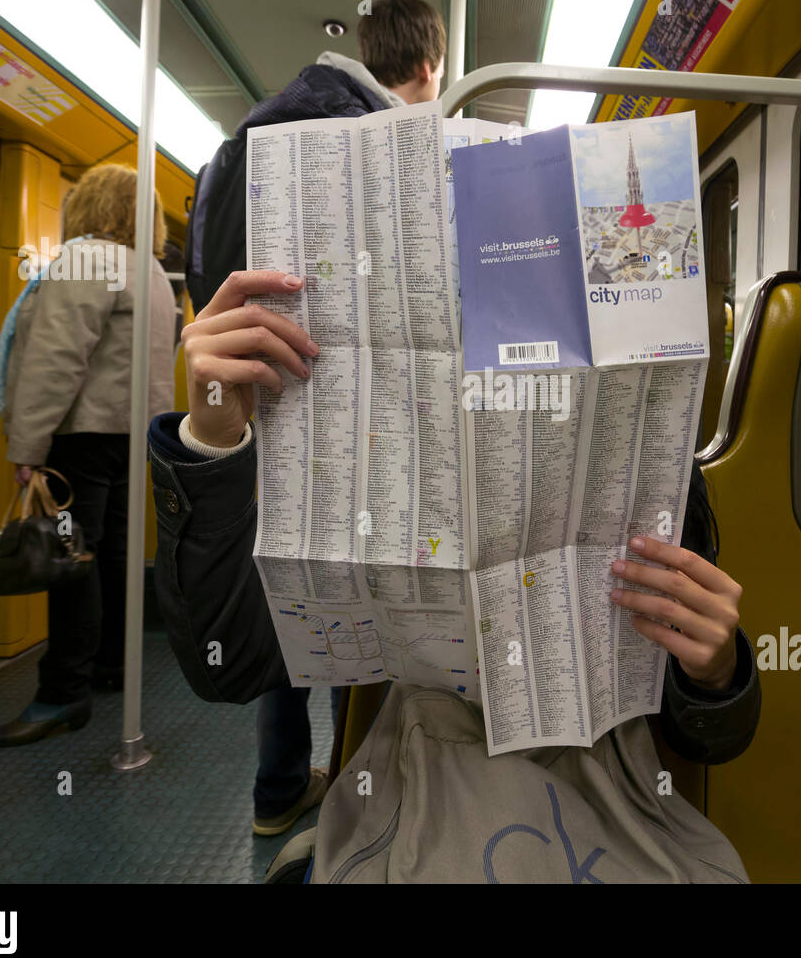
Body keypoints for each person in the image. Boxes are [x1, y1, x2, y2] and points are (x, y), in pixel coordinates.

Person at [150, 263, 760, 881]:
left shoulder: (649, 465)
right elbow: (226, 664)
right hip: (426, 779)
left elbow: (708, 740)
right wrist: (211, 437)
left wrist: (716, 674)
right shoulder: (378, 464)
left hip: (610, 795)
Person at [186, 0, 446, 837]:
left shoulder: (250, 142)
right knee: (364, 614)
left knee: (284, 602)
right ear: (429, 70)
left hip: (256, 432)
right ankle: (356, 783)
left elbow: (210, 296)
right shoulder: (402, 154)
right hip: (367, 444)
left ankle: (276, 788)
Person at [0, 163, 178, 746]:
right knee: (112, 552)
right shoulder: (150, 269)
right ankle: (110, 665)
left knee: (70, 557)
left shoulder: (85, 260)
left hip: (81, 438)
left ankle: (61, 694)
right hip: (127, 436)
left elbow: (55, 359)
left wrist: (28, 445)